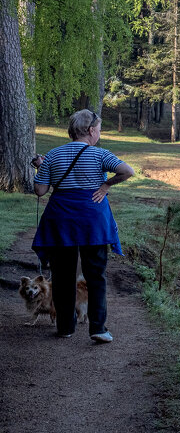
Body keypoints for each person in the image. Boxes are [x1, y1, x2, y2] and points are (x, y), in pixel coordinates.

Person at [30, 109, 134, 342]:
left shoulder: (54, 155)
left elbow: (40, 190)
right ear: (90, 130)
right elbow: (128, 171)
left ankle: (65, 328)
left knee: (63, 275)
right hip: (92, 221)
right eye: (98, 129)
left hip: (61, 221)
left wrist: (42, 167)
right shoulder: (100, 155)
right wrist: (106, 185)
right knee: (95, 275)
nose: (99, 133)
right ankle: (98, 328)